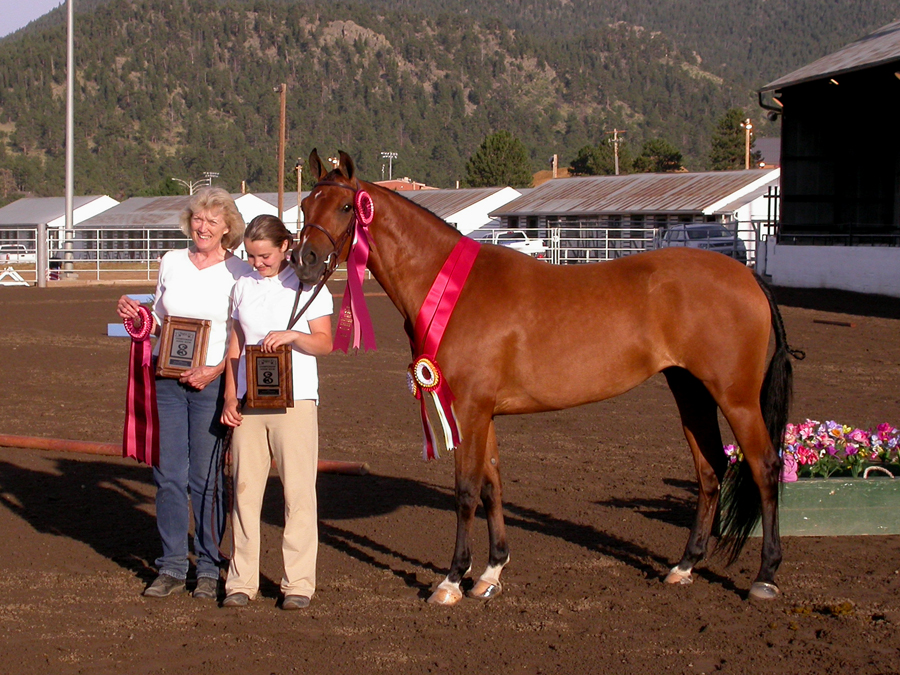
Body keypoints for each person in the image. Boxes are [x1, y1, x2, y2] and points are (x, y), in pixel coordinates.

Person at [116, 187, 251, 599]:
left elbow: (242, 334)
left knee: (206, 479)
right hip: (167, 384)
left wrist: (214, 371)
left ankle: (209, 567)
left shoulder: (240, 271)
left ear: (228, 227)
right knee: (169, 477)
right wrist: (137, 317)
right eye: (197, 218)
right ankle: (172, 565)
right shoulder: (171, 262)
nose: (203, 226)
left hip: (210, 385)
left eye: (212, 220)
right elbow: (159, 318)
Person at [220, 214, 333, 610]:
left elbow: (325, 343)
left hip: (297, 399)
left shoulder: (309, 286)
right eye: (251, 256)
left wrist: (294, 336)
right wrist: (231, 397)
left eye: (264, 256)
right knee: (244, 494)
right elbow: (234, 346)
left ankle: (298, 583)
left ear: (286, 247)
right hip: (251, 403)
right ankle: (241, 581)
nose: (257, 263)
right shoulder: (242, 286)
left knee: (298, 493)